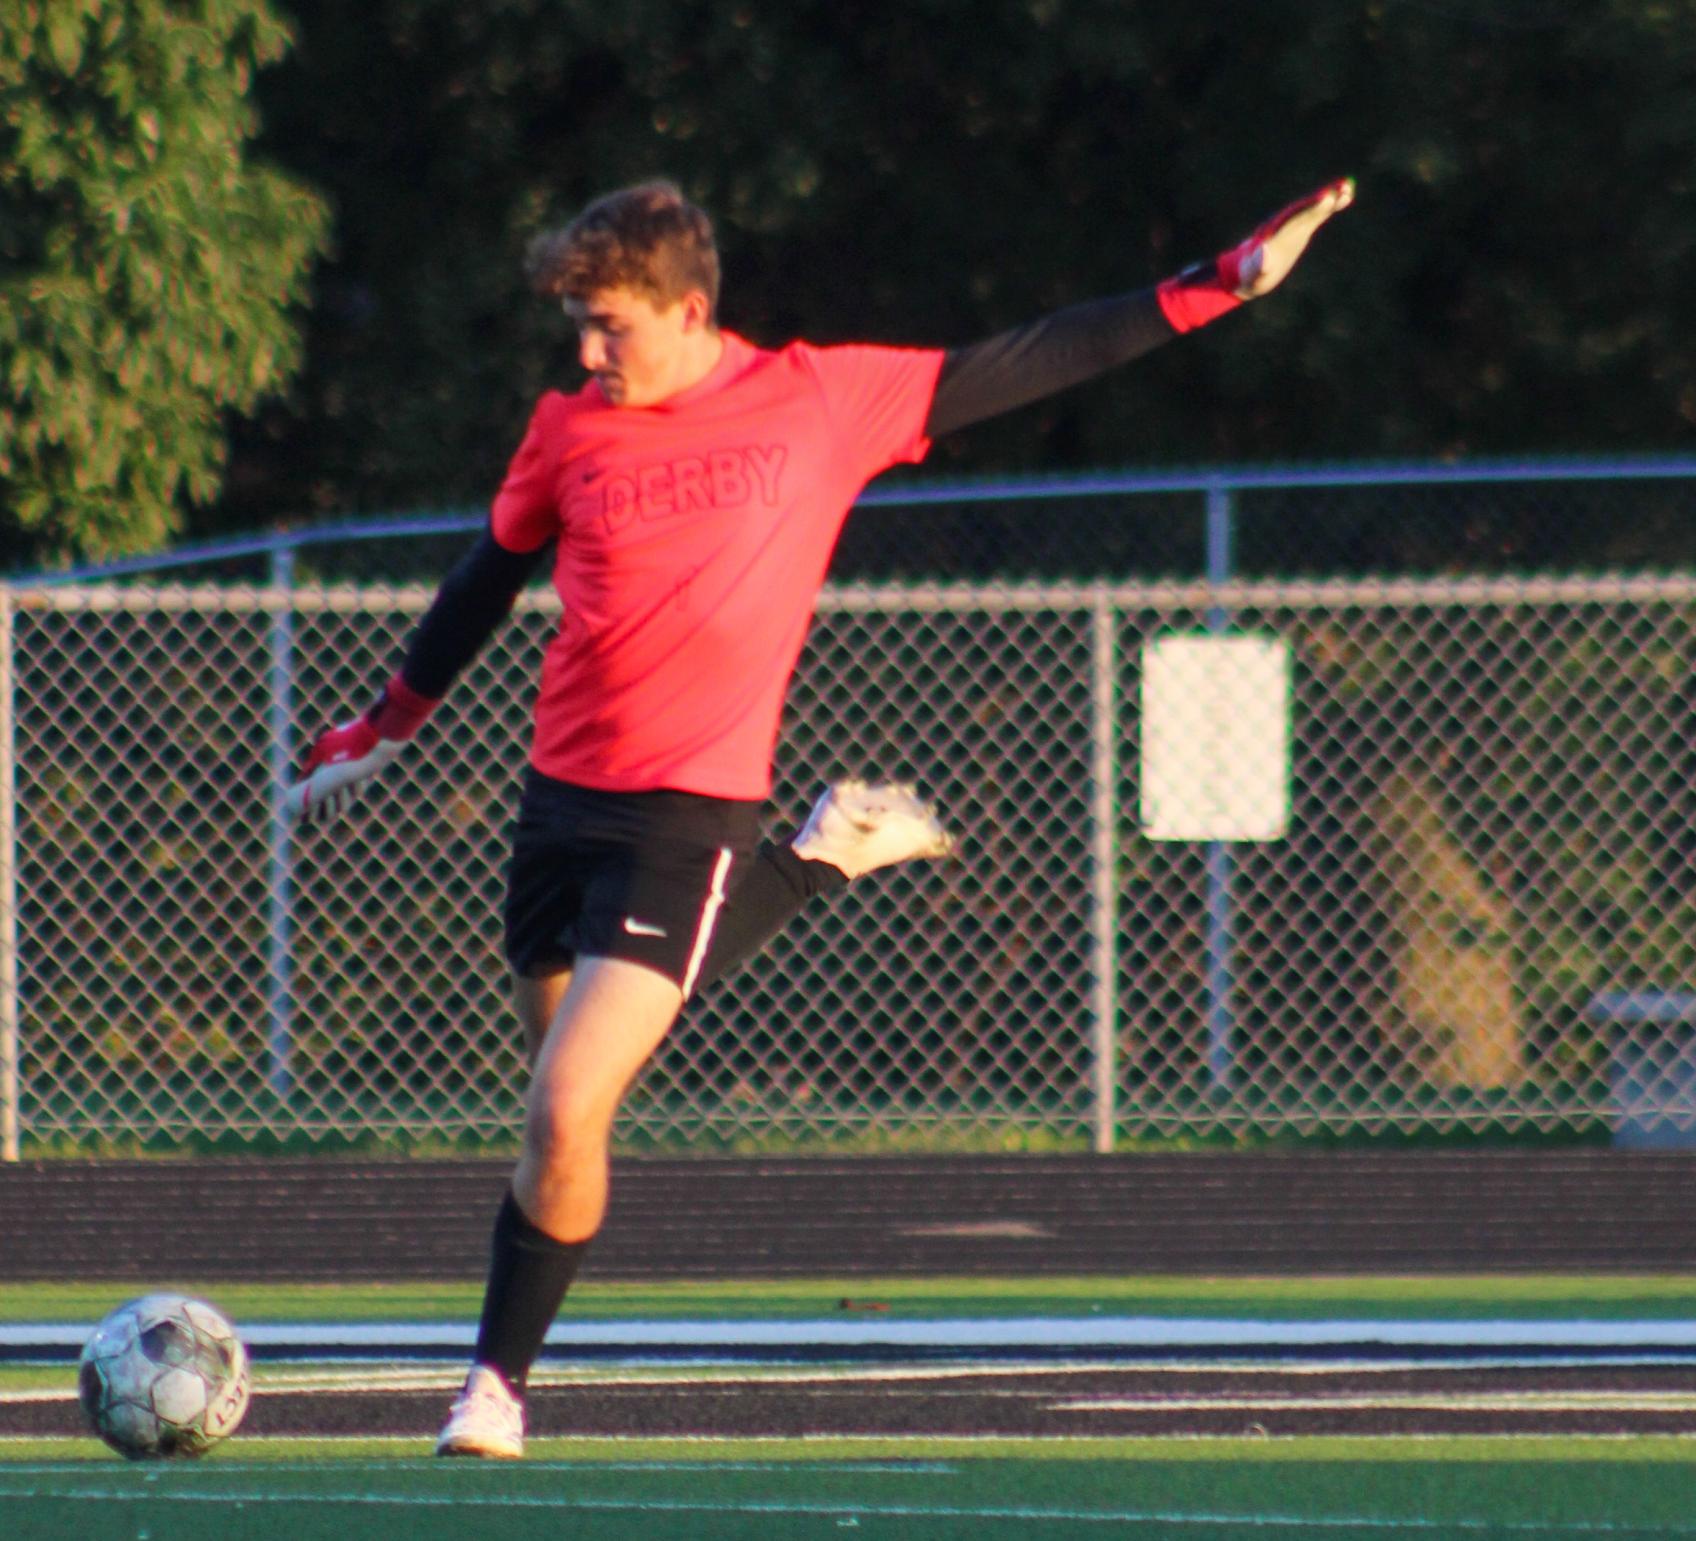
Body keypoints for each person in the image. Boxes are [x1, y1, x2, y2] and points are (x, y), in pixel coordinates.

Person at [285, 173, 1356, 1458]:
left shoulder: (816, 399)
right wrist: (388, 720)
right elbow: (488, 572)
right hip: (560, 801)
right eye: (575, 322)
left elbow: (1032, 356)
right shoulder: (570, 424)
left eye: (608, 323)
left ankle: (492, 1390)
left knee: (567, 1107)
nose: (585, 350)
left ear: (688, 310)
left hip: (687, 807)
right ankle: (819, 856)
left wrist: (1216, 285)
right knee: (567, 1087)